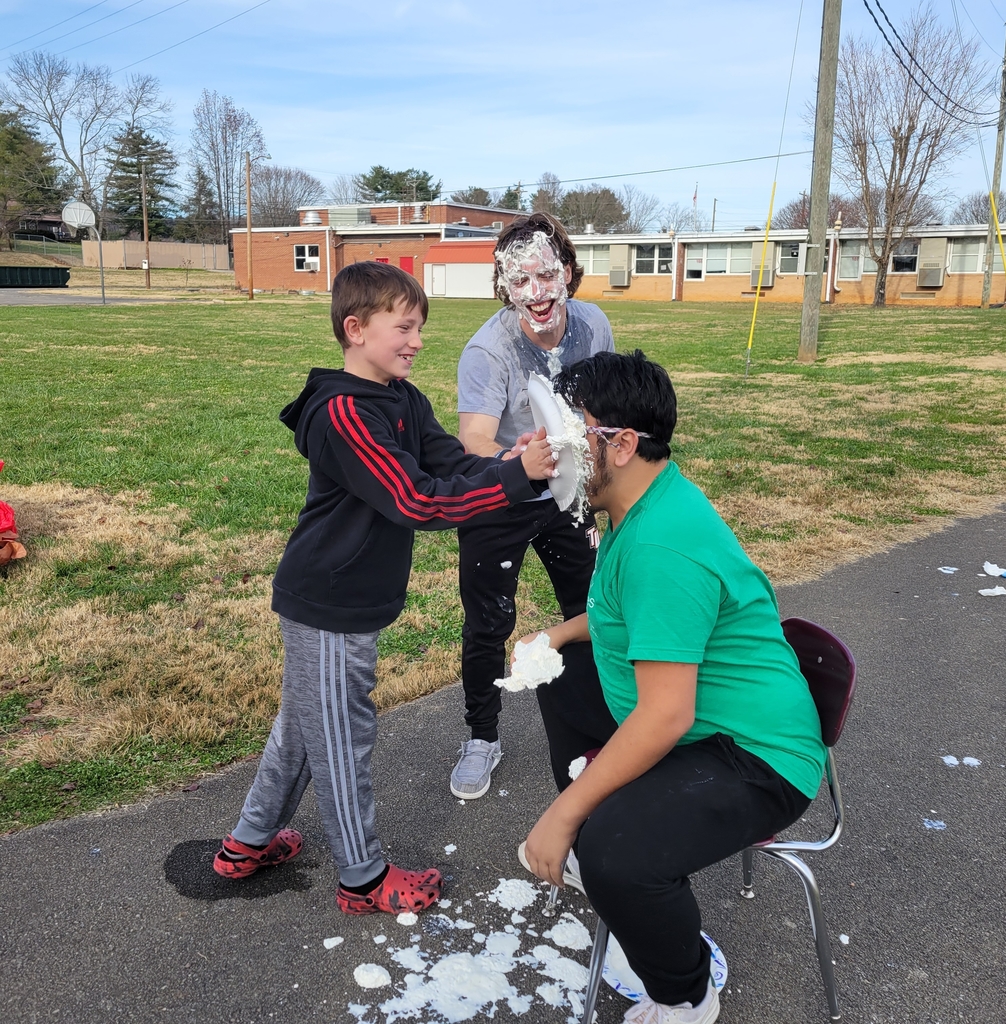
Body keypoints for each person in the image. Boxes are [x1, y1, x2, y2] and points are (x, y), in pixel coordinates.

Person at [212, 261, 554, 916]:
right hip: (328, 603)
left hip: (349, 599)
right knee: (339, 736)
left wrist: (510, 461)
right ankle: (364, 880)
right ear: (355, 328)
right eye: (404, 327)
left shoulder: (401, 397)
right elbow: (415, 500)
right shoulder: (343, 412)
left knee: (303, 728)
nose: (417, 340)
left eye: (420, 327)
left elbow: (448, 462)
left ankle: (247, 843)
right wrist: (514, 484)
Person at [518, 350, 827, 1024]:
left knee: (616, 855)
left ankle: (686, 995)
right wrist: (559, 637)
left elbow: (664, 716)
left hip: (756, 757)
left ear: (621, 445)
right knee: (560, 676)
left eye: (571, 434)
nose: (552, 452)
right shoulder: (640, 506)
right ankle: (599, 833)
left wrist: (565, 815)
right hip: (700, 726)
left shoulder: (662, 543)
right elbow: (619, 615)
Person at [450, 212, 614, 800]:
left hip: (571, 493)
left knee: (594, 604)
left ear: (568, 272)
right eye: (521, 281)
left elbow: (605, 409)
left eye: (546, 274)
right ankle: (481, 737)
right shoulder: (487, 350)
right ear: (504, 288)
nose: (537, 293)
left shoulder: (593, 325)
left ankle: (605, 718)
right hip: (505, 490)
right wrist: (518, 461)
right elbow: (473, 440)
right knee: (489, 619)